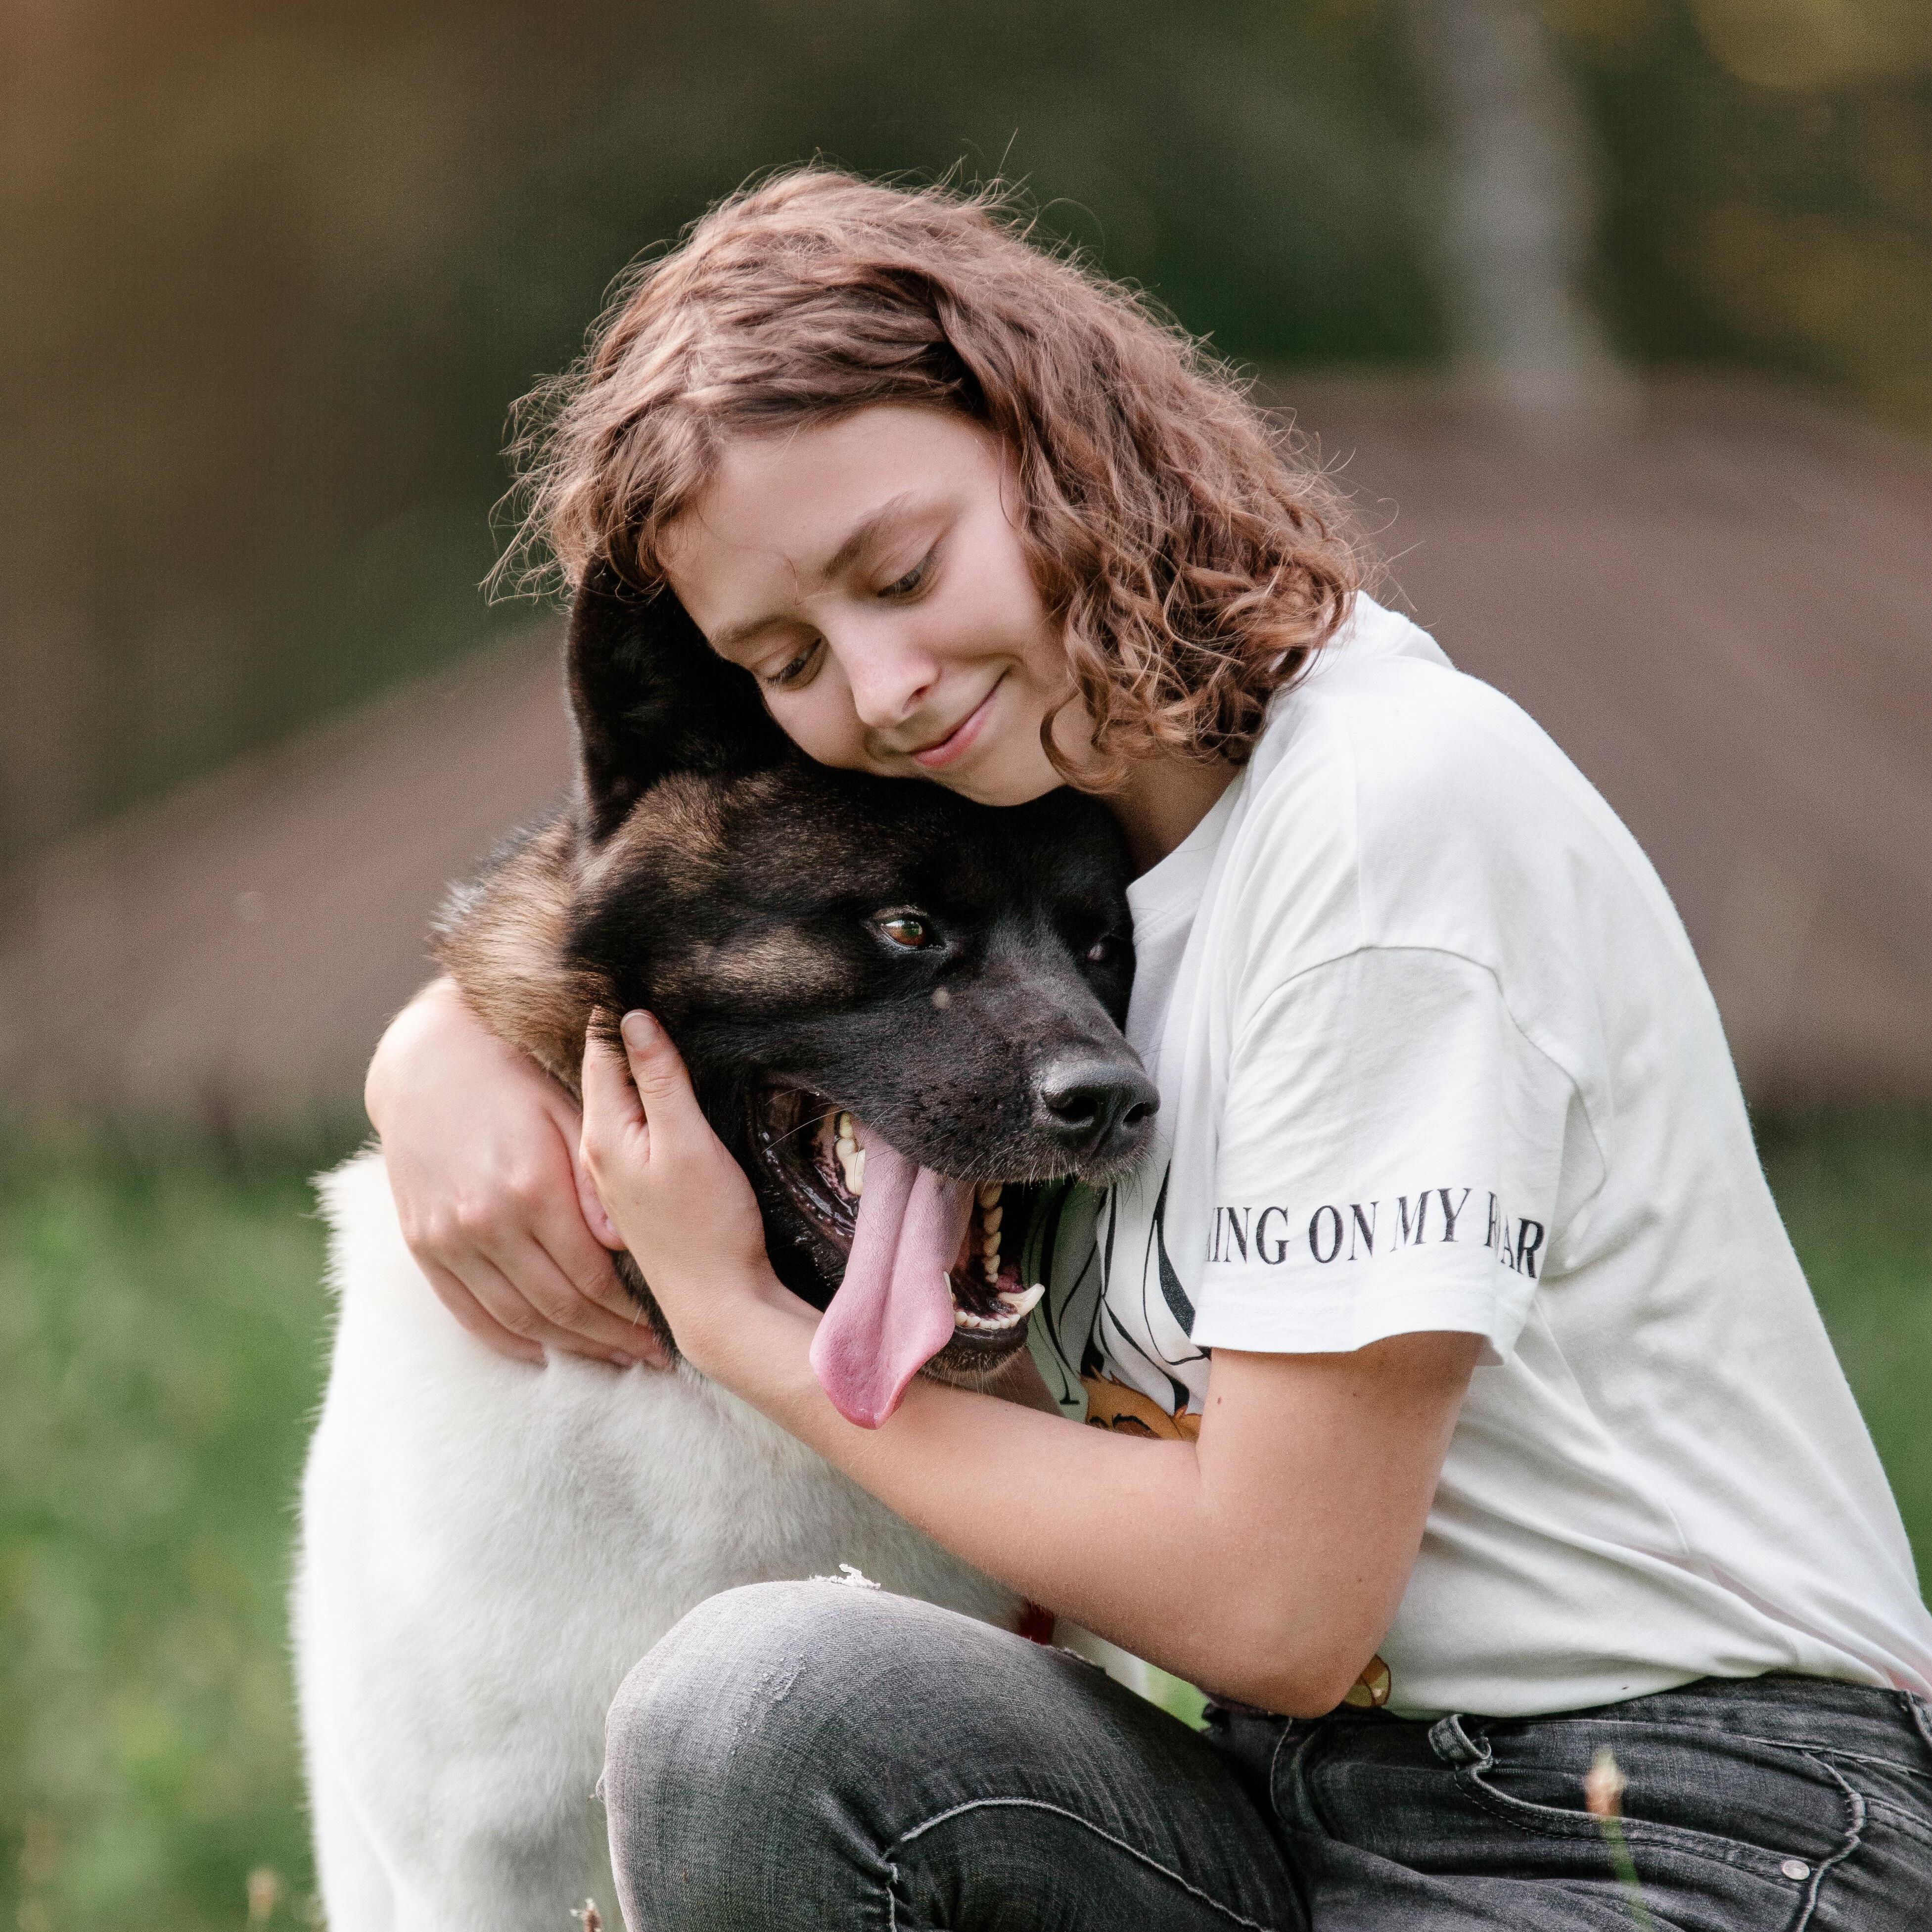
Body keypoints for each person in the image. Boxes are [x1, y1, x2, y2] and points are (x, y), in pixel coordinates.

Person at [365, 171, 1932, 1928]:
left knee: (791, 1687)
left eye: (901, 569)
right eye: (788, 651)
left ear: (1057, 439)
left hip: (1696, 1828)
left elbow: (1279, 1606)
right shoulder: (1075, 862)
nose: (877, 685)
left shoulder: (1379, 825)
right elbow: (699, 891)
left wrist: (734, 1323)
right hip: (1309, 1807)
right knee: (769, 1710)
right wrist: (444, 1042)